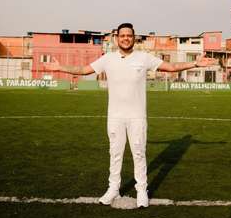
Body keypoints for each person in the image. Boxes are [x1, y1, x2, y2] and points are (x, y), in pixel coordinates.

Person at [45, 23, 215, 208]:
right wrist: (60, 67)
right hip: (115, 117)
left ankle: (142, 191)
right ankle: (113, 189)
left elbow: (172, 66)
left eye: (129, 35)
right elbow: (84, 70)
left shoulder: (144, 58)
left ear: (134, 38)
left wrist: (195, 63)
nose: (126, 38)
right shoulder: (107, 59)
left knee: (139, 153)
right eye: (122, 35)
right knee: (115, 154)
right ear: (117, 38)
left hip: (137, 117)